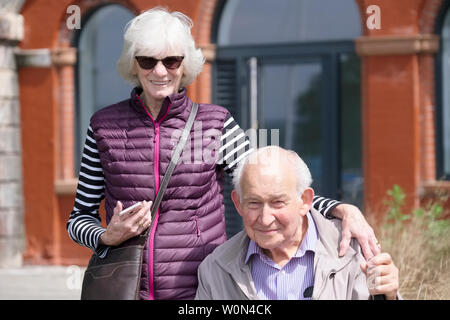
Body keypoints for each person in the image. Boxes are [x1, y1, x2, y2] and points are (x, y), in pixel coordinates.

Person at [67, 7, 380, 300]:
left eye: (171, 61)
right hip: (125, 287)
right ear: (134, 64)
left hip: (201, 287)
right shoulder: (104, 126)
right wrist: (106, 236)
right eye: (148, 61)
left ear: (185, 64)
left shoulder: (213, 124)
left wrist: (340, 209)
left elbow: (268, 187)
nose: (159, 71)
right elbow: (78, 219)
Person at [195, 146, 400, 300]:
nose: (265, 219)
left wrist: (390, 296)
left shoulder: (354, 250)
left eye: (277, 203)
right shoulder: (216, 270)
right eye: (254, 203)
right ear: (238, 204)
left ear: (305, 201)